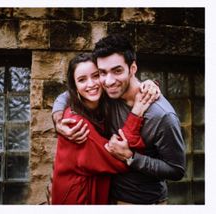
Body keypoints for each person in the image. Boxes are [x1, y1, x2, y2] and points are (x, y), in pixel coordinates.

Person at [52, 34, 185, 204]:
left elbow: (176, 170)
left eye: (117, 71)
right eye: (102, 73)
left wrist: (131, 157)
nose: (108, 81)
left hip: (141, 202)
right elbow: (69, 94)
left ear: (133, 68)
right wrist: (57, 121)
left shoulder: (161, 116)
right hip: (105, 197)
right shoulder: (106, 93)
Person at [51, 53, 156, 205]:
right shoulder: (76, 125)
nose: (91, 84)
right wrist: (137, 111)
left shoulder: (102, 105)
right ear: (74, 86)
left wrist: (147, 85)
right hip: (79, 199)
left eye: (95, 76)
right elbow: (118, 159)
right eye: (82, 80)